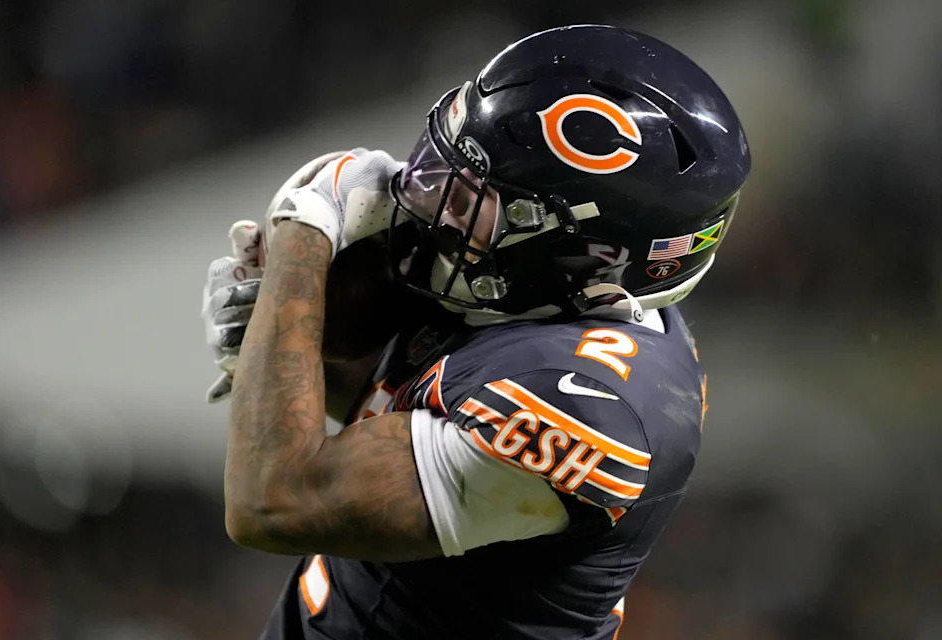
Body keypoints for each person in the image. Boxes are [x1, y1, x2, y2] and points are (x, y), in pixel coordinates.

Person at [201, 25, 751, 639]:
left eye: (479, 201)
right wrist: (277, 342)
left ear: (587, 254)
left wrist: (308, 225)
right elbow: (393, 412)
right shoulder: (534, 298)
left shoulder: (591, 407)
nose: (434, 198)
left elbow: (274, 503)